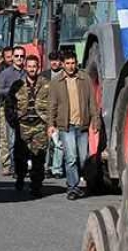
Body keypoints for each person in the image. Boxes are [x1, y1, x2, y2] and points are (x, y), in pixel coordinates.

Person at [48, 50, 100, 200]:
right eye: (68, 63)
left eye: (73, 63)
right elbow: (52, 105)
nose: (70, 66)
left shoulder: (84, 79)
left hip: (82, 125)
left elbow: (92, 102)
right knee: (71, 157)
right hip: (66, 126)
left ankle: (78, 182)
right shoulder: (56, 82)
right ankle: (72, 187)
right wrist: (51, 124)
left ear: (76, 63)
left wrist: (95, 121)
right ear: (63, 64)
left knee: (83, 159)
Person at [7, 55, 50, 197]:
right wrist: (13, 121)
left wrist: (51, 122)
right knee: (20, 156)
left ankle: (36, 186)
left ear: (38, 68)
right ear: (26, 68)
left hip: (39, 125)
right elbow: (9, 104)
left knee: (39, 157)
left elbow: (53, 103)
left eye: (34, 66)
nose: (32, 69)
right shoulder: (17, 85)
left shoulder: (46, 84)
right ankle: (20, 177)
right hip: (22, 125)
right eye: (29, 66)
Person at [0, 46, 26, 175]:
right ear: (13, 57)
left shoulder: (26, 73)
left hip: (23, 109)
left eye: (22, 56)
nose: (19, 58)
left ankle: (19, 164)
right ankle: (8, 164)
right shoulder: (5, 74)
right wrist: (12, 90)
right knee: (8, 139)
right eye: (17, 56)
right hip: (8, 109)